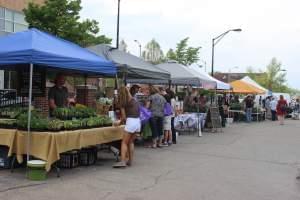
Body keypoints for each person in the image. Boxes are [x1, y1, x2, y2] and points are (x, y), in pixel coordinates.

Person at [113, 86, 141, 168]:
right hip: (138, 122)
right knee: (130, 142)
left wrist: (119, 123)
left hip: (131, 121)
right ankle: (130, 161)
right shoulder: (133, 99)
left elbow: (124, 117)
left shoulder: (122, 102)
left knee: (124, 142)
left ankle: (122, 162)